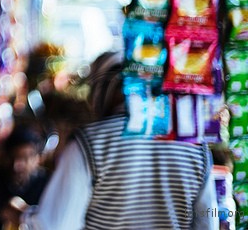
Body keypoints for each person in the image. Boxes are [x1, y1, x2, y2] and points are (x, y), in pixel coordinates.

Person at [19, 51, 219, 230]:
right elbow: (208, 220)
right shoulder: (195, 148)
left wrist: (26, 217)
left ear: (101, 91)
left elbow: (56, 225)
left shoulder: (91, 143)